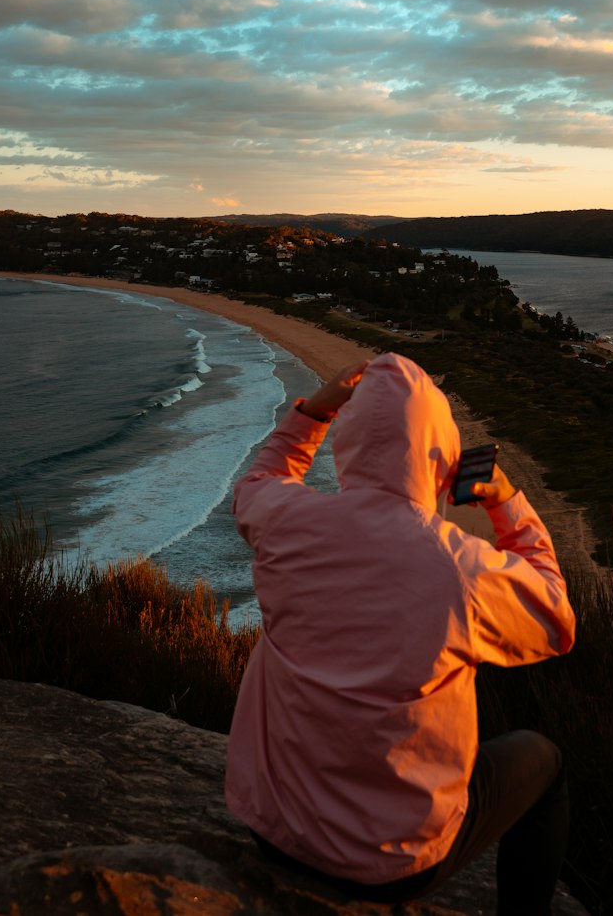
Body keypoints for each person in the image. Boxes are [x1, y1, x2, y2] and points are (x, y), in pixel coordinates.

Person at [225, 351, 576, 912]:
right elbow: (556, 617)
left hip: (274, 833)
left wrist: (313, 414)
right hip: (395, 864)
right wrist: (507, 502)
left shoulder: (286, 522)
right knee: (544, 761)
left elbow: (259, 481)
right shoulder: (461, 569)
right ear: (443, 456)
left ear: (350, 444)